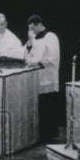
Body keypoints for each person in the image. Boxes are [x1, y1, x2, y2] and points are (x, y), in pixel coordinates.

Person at [25, 14, 61, 143]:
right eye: (29, 28)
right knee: (39, 107)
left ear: (39, 25)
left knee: (48, 106)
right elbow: (28, 55)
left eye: (33, 28)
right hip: (36, 77)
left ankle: (49, 135)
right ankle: (40, 134)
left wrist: (38, 63)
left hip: (48, 76)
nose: (31, 31)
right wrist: (29, 43)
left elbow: (53, 58)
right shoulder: (34, 38)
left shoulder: (51, 37)